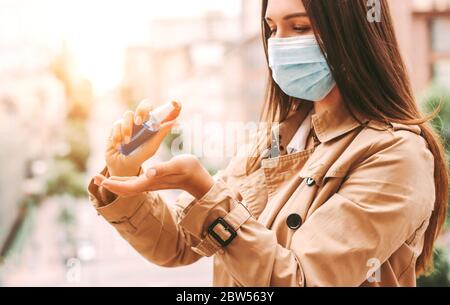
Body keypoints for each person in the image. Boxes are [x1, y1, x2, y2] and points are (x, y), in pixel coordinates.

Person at [88, 0, 448, 286]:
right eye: (272, 29)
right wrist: (125, 174)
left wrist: (203, 189)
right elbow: (176, 245)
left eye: (300, 27)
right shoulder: (276, 139)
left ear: (354, 33)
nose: (279, 45)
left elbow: (301, 280)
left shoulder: (397, 155)